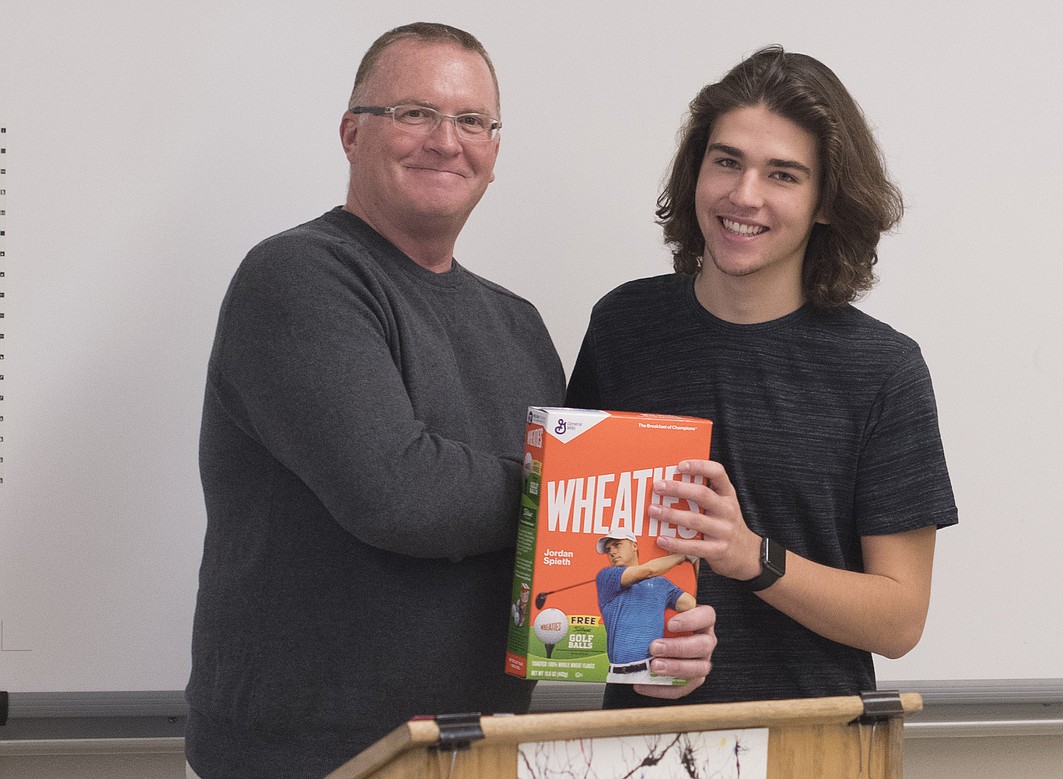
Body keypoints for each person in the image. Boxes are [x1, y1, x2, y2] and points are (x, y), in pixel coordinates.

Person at [185, 23, 715, 778]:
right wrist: (581, 490)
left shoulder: (518, 322)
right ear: (351, 133)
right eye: (413, 113)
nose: (446, 140)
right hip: (306, 760)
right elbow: (397, 491)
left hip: (475, 752)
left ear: (494, 154)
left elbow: (554, 557)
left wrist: (656, 640)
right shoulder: (299, 277)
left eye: (472, 121)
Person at [565, 46, 958, 710]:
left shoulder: (884, 371)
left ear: (827, 201)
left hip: (811, 746)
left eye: (782, 174)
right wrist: (646, 658)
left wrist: (753, 556)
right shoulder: (623, 326)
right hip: (641, 743)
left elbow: (899, 618)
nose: (744, 195)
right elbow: (581, 558)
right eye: (727, 161)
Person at [595, 529, 697, 684]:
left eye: (617, 545)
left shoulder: (662, 584)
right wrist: (683, 555)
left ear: (634, 546)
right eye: (608, 550)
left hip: (656, 673)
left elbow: (691, 605)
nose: (612, 552)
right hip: (619, 675)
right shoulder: (607, 576)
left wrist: (697, 562)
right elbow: (648, 571)